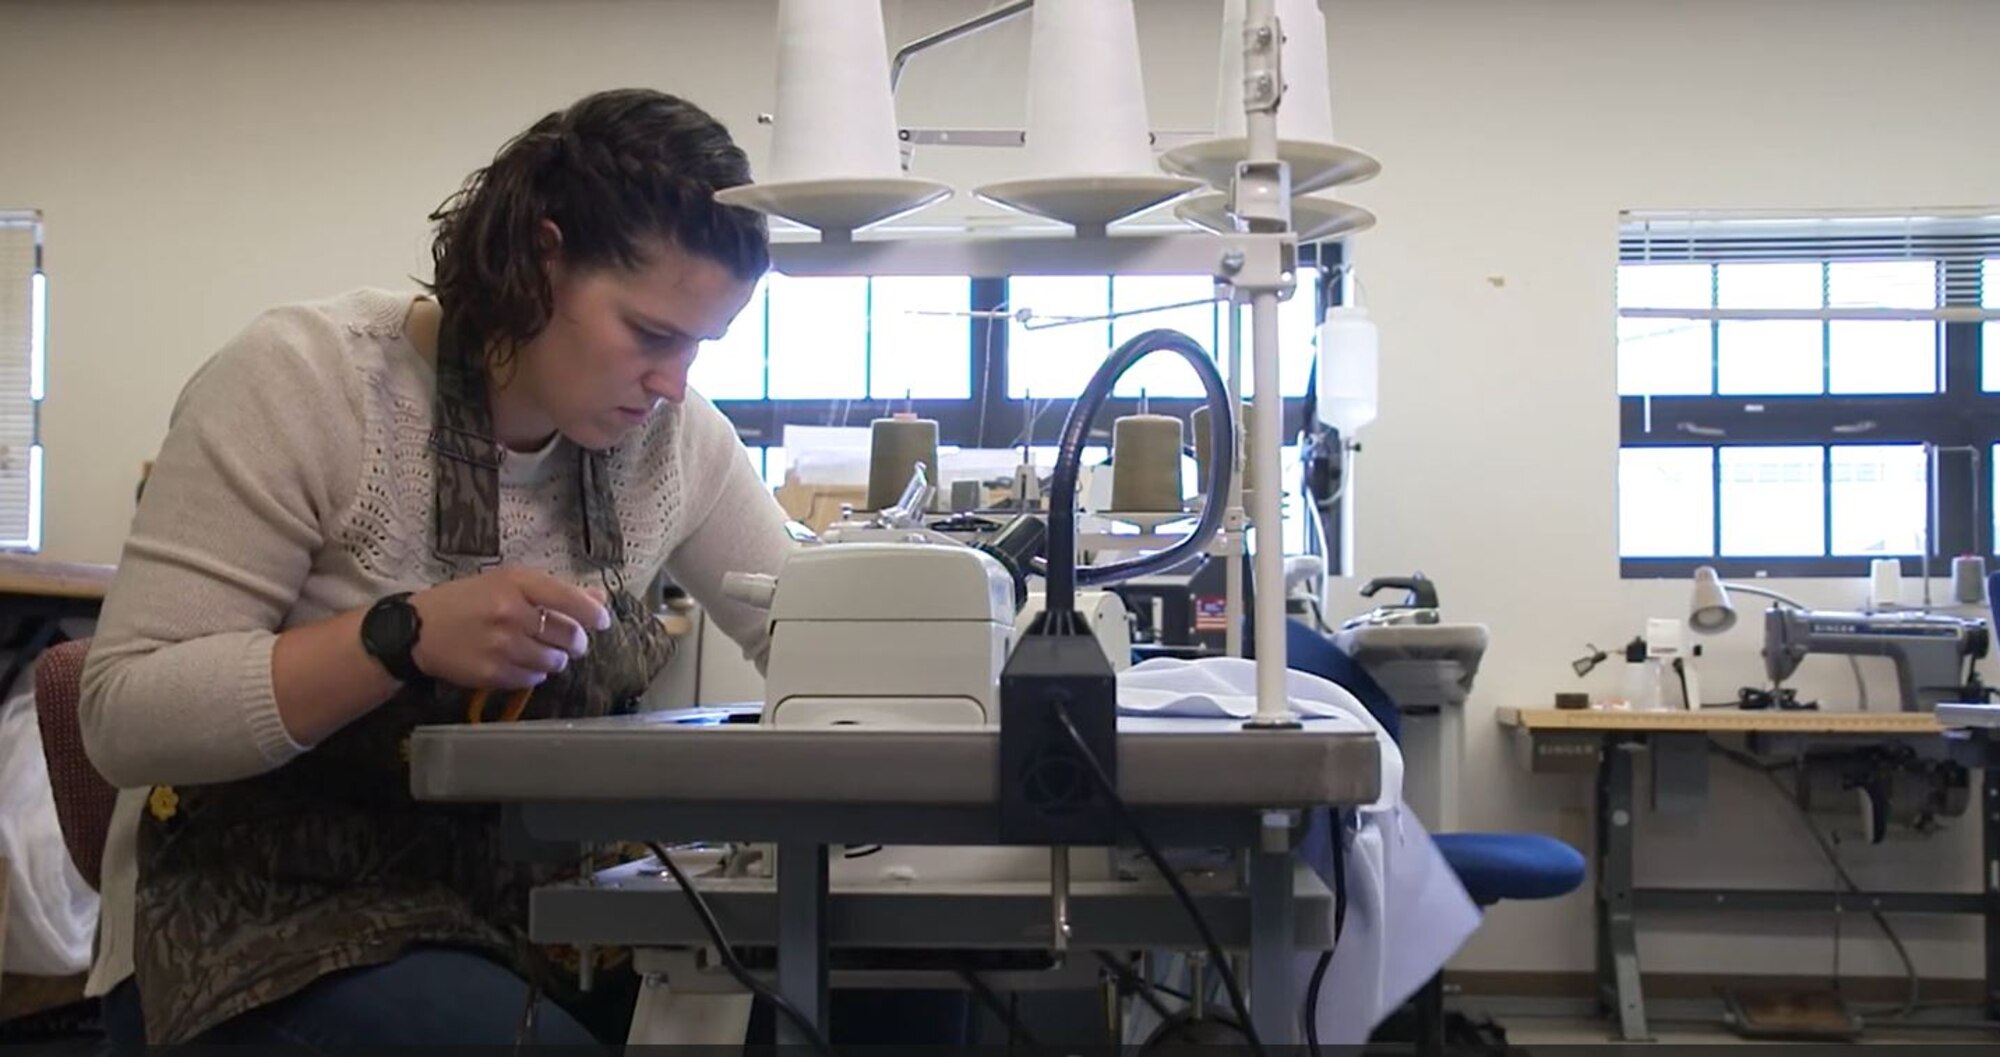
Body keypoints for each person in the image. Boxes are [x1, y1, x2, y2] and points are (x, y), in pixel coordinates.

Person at [77, 88, 960, 1047]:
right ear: (542, 260)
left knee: (891, 994)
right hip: (268, 927)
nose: (675, 382)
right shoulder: (307, 384)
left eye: (702, 345)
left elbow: (812, 638)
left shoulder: (674, 442)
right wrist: (400, 636)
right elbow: (125, 716)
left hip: (548, 922)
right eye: (652, 334)